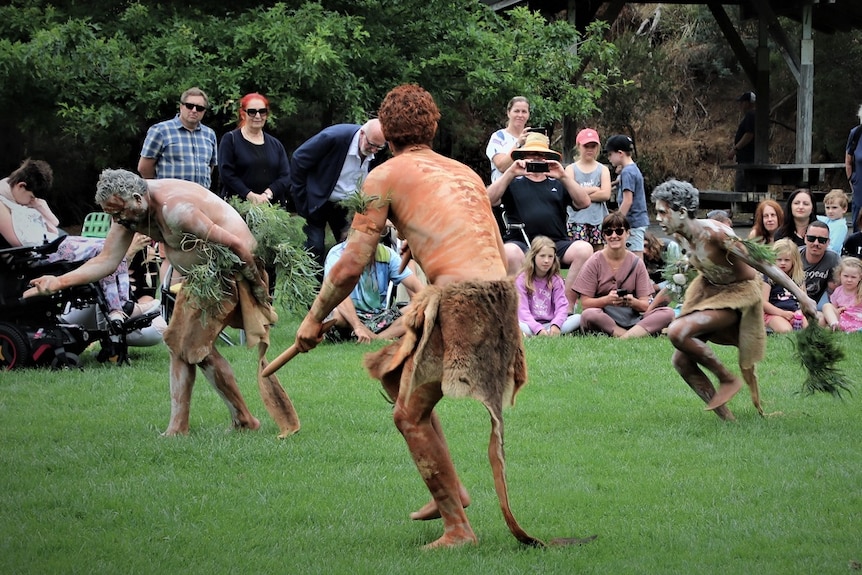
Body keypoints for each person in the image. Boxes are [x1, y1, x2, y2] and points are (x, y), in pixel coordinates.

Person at [292, 84, 579, 549]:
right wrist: (415, 236)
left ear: (386, 132)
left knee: (408, 415)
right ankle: (454, 488)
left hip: (462, 300)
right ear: (433, 126)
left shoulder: (382, 175)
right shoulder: (463, 170)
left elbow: (349, 263)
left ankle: (457, 528)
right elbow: (467, 226)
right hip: (497, 297)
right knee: (391, 373)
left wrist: (313, 318)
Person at [25, 169, 300, 439]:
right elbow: (106, 261)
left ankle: (233, 421)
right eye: (113, 215)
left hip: (229, 270)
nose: (118, 220)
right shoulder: (128, 213)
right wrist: (58, 281)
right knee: (178, 342)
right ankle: (201, 423)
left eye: (120, 213)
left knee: (190, 345)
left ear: (137, 198)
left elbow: (238, 246)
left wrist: (259, 288)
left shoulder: (176, 210)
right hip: (201, 277)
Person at [651, 179, 817, 421]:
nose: (657, 218)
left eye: (662, 212)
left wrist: (802, 296)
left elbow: (764, 264)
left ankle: (727, 378)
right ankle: (728, 420)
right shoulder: (680, 236)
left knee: (677, 332)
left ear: (682, 212)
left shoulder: (718, 234)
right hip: (710, 293)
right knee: (681, 361)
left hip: (739, 296)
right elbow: (706, 262)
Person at [0, 159, 154, 324]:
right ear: (21, 186)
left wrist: (38, 205)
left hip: (54, 241)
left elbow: (54, 225)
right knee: (104, 250)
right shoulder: (3, 203)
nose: (32, 201)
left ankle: (122, 304)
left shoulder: (21, 199)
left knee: (110, 247)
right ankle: (118, 306)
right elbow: (18, 241)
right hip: (41, 251)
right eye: (31, 197)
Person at [486, 132, 592, 311]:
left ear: (547, 158)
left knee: (585, 249)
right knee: (509, 251)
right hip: (522, 243)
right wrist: (510, 172)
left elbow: (584, 202)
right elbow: (487, 200)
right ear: (524, 156)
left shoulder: (558, 182)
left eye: (540, 155)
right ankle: (519, 309)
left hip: (555, 243)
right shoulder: (512, 181)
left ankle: (565, 306)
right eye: (531, 155)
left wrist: (563, 176)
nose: (535, 159)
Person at [289, 118, 386, 273]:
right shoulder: (334, 137)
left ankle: (347, 289)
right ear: (362, 134)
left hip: (348, 206)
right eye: (371, 145)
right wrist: (301, 201)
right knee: (315, 248)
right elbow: (298, 159)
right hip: (318, 200)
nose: (374, 150)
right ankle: (314, 289)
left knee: (359, 245)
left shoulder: (378, 148)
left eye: (379, 147)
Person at [573, 212, 674, 338]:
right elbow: (586, 303)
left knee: (667, 313)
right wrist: (607, 300)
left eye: (619, 231)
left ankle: (625, 336)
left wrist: (632, 302)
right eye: (609, 232)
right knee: (589, 315)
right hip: (604, 316)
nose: (614, 236)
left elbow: (645, 304)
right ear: (604, 236)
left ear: (627, 233)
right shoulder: (594, 262)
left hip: (632, 317)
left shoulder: (637, 263)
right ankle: (630, 335)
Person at [323, 226, 424, 343]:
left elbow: (417, 288)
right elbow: (339, 296)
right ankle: (369, 335)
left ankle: (377, 338)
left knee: (418, 308)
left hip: (378, 318)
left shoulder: (386, 254)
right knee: (337, 317)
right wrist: (357, 326)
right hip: (348, 317)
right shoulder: (337, 255)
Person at [218, 92, 291, 206]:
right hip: (237, 208)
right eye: (252, 112)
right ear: (243, 114)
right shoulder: (230, 140)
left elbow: (285, 176)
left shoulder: (276, 145)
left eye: (262, 111)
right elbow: (226, 174)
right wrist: (249, 195)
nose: (258, 116)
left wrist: (267, 194)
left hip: (271, 209)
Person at [137, 87, 218, 189]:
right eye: (189, 106)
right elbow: (144, 168)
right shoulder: (161, 131)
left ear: (204, 111)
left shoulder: (210, 134)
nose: (194, 110)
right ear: (181, 107)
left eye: (199, 108)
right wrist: (159, 189)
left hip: (200, 199)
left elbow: (210, 167)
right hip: (169, 198)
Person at [515, 236, 581, 336]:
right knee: (516, 324)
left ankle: (551, 332)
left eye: (550, 256)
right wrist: (538, 329)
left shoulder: (556, 280)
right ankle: (535, 333)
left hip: (550, 323)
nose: (546, 260)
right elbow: (522, 311)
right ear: (533, 256)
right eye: (542, 256)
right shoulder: (522, 279)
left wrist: (556, 325)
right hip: (529, 324)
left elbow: (562, 307)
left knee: (578, 318)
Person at [565, 128, 612, 251]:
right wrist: (594, 189)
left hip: (598, 220)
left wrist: (580, 194)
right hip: (577, 220)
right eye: (586, 146)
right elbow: (569, 194)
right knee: (580, 254)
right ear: (579, 146)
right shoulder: (571, 169)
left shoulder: (603, 169)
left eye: (593, 146)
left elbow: (606, 194)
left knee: (598, 256)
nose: (590, 149)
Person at [605, 134, 649, 258]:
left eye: (610, 154)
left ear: (620, 153)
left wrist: (617, 222)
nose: (609, 158)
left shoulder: (627, 172)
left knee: (635, 260)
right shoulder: (632, 169)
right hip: (636, 221)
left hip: (633, 223)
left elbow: (627, 201)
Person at [761, 239, 808, 334]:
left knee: (807, 331)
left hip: (794, 312)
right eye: (779, 259)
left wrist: (800, 312)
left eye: (787, 260)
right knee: (786, 330)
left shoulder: (798, 277)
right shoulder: (769, 277)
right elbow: (763, 303)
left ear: (794, 261)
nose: (783, 263)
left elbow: (804, 300)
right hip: (773, 313)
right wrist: (782, 313)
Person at [485, 96, 533, 182]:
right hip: (504, 191)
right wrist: (518, 144)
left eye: (524, 112)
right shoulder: (498, 137)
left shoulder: (532, 139)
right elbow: (502, 166)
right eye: (516, 111)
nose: (520, 115)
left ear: (528, 115)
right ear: (508, 113)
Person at [801, 220, 841, 309]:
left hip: (820, 301)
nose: (816, 243)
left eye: (821, 240)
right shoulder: (794, 255)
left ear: (828, 242)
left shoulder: (833, 258)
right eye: (811, 238)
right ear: (805, 238)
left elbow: (835, 288)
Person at [821, 256, 862, 332]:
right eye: (846, 276)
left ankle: (847, 329)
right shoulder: (838, 290)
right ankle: (834, 325)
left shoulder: (860, 291)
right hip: (841, 318)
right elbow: (834, 308)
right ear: (840, 275)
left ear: (860, 277)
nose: (849, 280)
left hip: (857, 319)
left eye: (853, 277)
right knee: (826, 306)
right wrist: (838, 310)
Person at [728, 91, 756, 193]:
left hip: (747, 161)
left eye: (742, 102)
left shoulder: (750, 115)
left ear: (748, 103)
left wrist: (735, 149)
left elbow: (749, 135)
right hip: (747, 160)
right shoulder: (752, 115)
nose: (740, 105)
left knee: (741, 190)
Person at [845, 104, 862, 233]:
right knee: (858, 222)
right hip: (859, 185)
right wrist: (852, 180)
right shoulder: (856, 133)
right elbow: (848, 160)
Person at [817, 189, 849, 254]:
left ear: (844, 209)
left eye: (834, 207)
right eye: (827, 208)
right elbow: (814, 217)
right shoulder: (828, 220)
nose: (830, 211)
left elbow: (833, 247)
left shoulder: (841, 226)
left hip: (831, 258)